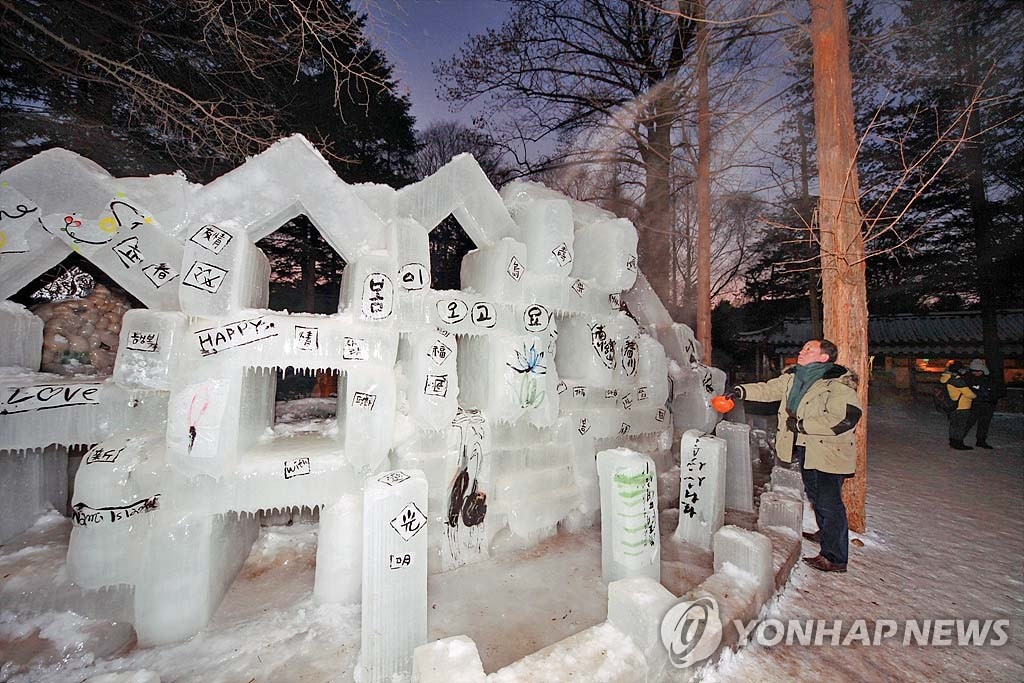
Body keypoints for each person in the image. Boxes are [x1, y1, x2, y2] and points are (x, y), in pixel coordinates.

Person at [727, 339, 861, 574]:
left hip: (830, 451)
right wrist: (741, 391)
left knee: (829, 503)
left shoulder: (837, 384)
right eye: (803, 347)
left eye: (809, 349)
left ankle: (835, 557)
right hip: (808, 447)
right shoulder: (794, 377)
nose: (802, 351)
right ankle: (826, 533)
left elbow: (845, 418)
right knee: (817, 496)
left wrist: (802, 425)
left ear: (824, 357)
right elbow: (769, 389)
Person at [940, 361, 976, 450]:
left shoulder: (945, 378)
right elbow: (970, 394)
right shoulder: (957, 381)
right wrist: (976, 395)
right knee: (961, 426)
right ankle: (958, 443)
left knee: (953, 425)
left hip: (951, 405)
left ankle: (952, 441)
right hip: (962, 406)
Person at [966, 358, 995, 449]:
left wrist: (992, 399)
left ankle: (981, 441)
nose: (975, 373)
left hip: (987, 404)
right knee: (969, 422)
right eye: (973, 370)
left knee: (984, 424)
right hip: (975, 404)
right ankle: (958, 439)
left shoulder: (989, 378)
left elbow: (995, 390)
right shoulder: (969, 378)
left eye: (977, 371)